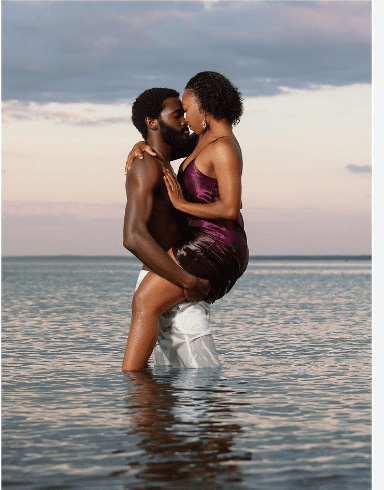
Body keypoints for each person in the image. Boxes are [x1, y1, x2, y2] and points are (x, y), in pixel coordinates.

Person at [122, 72, 249, 371]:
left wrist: (181, 204)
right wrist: (138, 145)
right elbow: (161, 143)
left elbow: (231, 207)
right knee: (160, 313)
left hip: (215, 242)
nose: (185, 117)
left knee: (144, 302)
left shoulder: (223, 145)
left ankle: (131, 382)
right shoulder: (202, 141)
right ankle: (174, 393)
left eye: (187, 109)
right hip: (207, 241)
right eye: (178, 112)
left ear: (203, 108)